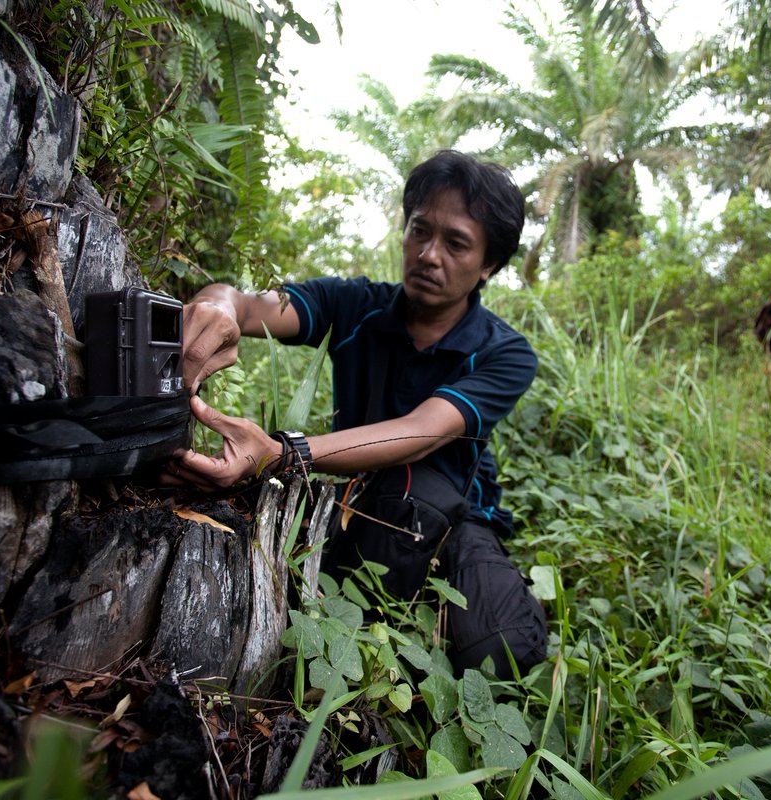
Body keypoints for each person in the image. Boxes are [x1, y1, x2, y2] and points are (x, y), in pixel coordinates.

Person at [168, 150, 547, 680]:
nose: (428, 255)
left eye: (456, 243)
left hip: (452, 521)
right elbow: (249, 305)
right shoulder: (354, 305)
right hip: (350, 500)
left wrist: (281, 454)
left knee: (500, 646)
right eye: (420, 231)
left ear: (488, 265)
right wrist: (217, 307)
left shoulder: (504, 352)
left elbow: (423, 432)